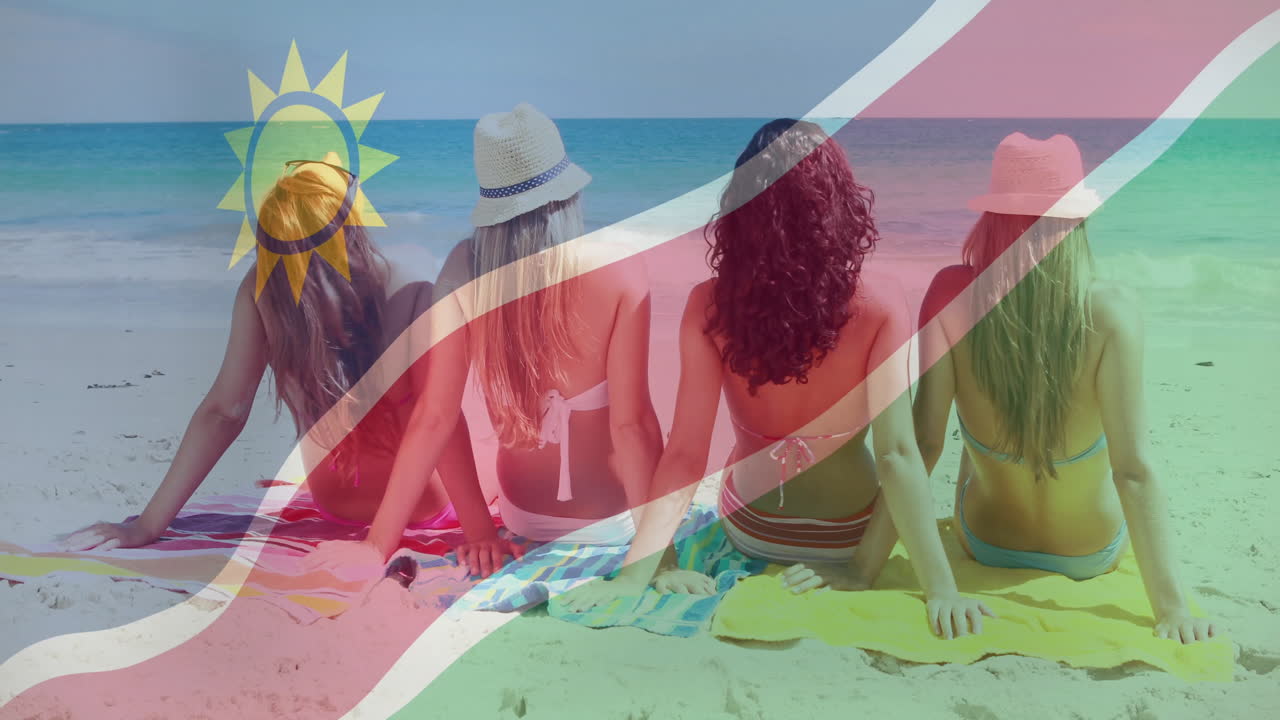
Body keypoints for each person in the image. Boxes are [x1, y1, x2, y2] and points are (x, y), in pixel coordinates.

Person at [565, 119, 992, 639]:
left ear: (742, 212)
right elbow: (897, 456)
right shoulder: (882, 304)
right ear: (839, 208)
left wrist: (638, 574)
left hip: (753, 531)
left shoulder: (709, 305)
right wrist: (939, 589)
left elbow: (685, 455)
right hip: (846, 536)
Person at [60, 153, 484, 564]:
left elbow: (225, 412)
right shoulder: (410, 280)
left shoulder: (265, 291)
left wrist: (148, 525)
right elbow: (438, 422)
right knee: (460, 411)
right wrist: (478, 530)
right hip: (423, 507)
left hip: (334, 502)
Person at [317, 103, 664, 578]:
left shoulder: (464, 267)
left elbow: (434, 418)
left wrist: (400, 542)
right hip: (613, 523)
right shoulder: (620, 266)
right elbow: (633, 428)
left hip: (522, 518)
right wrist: (656, 552)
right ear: (567, 193)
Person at [912, 132, 1216, 643]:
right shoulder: (1112, 310)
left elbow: (922, 445)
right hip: (1091, 552)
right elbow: (1133, 471)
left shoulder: (949, 293)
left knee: (975, 434)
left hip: (985, 542)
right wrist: (1172, 611)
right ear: (1076, 221)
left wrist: (863, 566)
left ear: (990, 217)